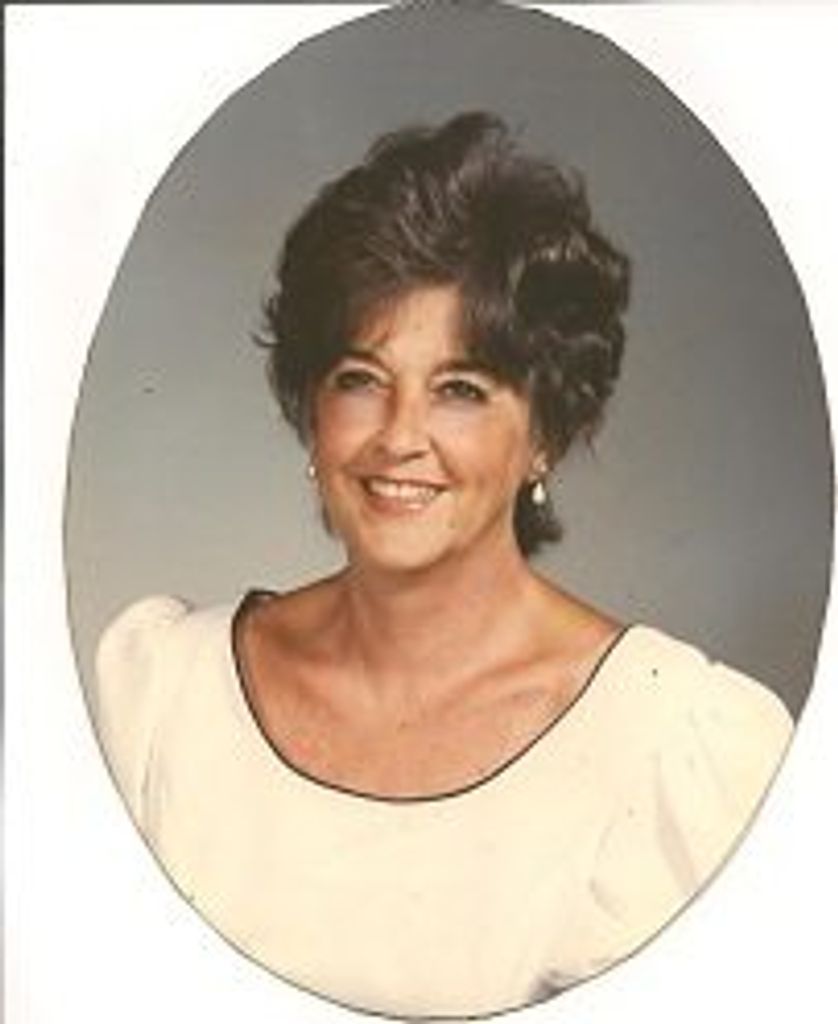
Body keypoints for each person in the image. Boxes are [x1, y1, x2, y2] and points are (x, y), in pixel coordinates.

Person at [93, 112, 792, 1019]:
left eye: (460, 389)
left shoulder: (673, 746)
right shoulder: (165, 692)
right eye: (360, 379)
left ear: (545, 434)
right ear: (311, 413)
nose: (400, 437)